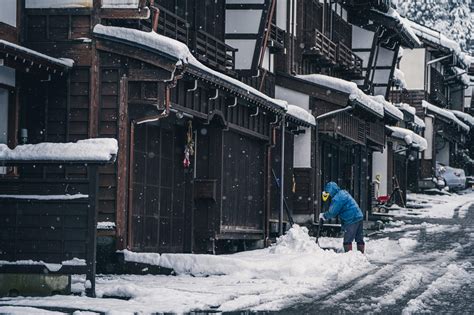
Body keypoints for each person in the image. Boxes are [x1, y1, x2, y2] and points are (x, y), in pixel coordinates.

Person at [319, 181, 365, 253]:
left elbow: (332, 212)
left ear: (331, 191)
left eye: (329, 192)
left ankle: (348, 256)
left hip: (351, 219)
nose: (329, 195)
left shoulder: (337, 198)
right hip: (359, 216)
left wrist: (324, 215)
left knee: (347, 240)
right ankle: (361, 254)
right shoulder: (343, 193)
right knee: (359, 238)